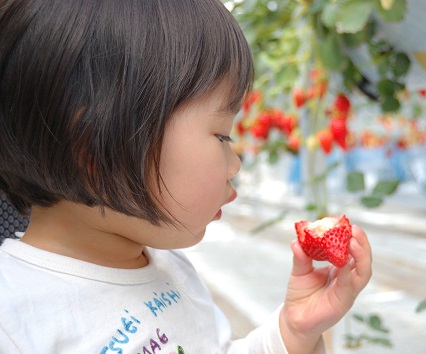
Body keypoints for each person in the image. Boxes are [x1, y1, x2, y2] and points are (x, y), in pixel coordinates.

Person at [0, 0, 372, 353]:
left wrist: (294, 330)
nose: (236, 164)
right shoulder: (14, 315)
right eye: (223, 135)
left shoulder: (170, 268)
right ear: (94, 145)